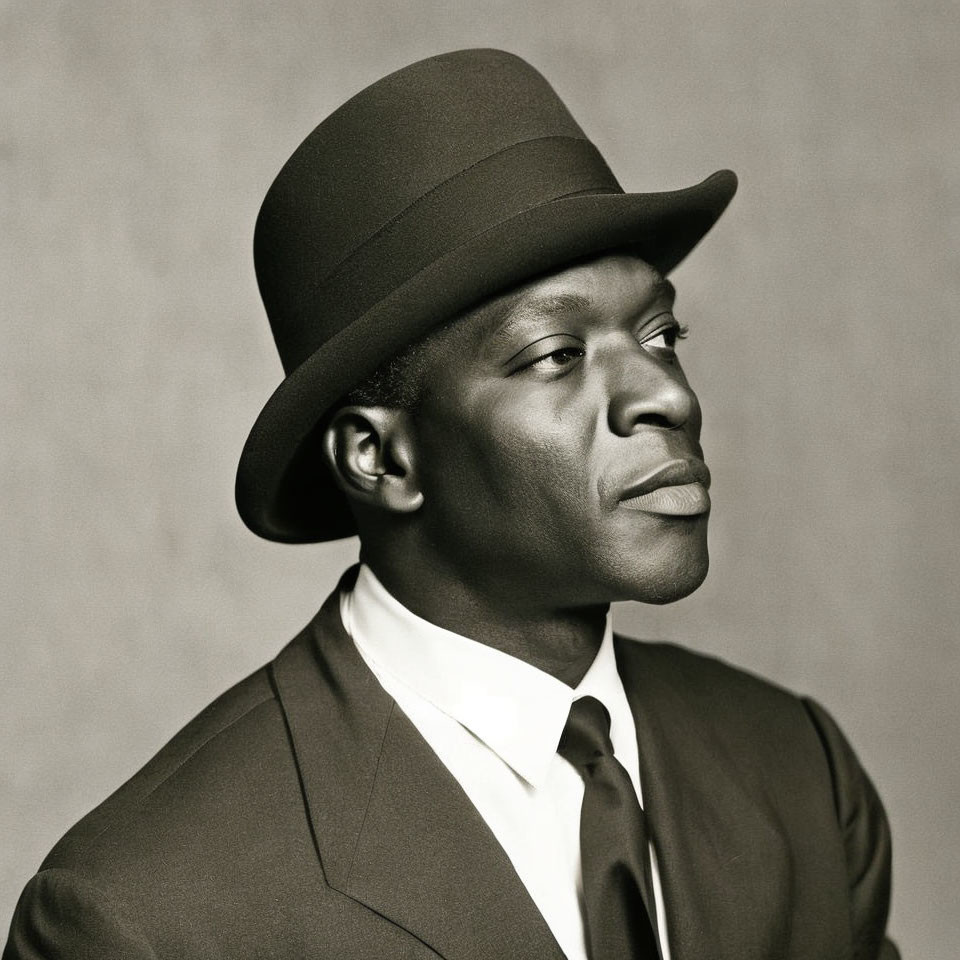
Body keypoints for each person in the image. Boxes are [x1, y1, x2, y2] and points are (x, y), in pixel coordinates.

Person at [4, 48, 898, 960]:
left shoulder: (801, 776)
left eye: (661, 332)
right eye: (556, 354)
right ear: (381, 456)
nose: (667, 395)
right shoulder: (144, 915)